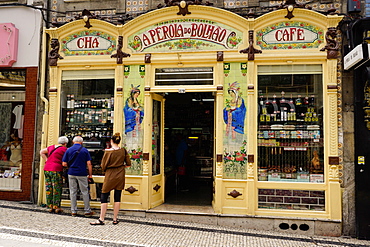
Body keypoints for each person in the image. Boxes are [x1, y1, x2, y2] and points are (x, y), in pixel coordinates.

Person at [90, 133, 131, 225]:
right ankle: (115, 218)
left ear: (111, 141)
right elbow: (128, 163)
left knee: (104, 195)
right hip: (120, 174)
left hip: (110, 174)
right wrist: (121, 166)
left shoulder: (108, 152)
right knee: (117, 196)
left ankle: (101, 218)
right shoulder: (123, 151)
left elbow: (103, 165)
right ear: (119, 141)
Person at [62, 136, 94, 217]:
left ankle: (73, 211)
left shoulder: (68, 150)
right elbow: (89, 164)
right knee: (85, 192)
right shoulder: (84, 150)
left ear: (73, 141)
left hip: (71, 172)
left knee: (73, 192)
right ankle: (87, 211)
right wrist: (90, 175)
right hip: (82, 173)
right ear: (82, 142)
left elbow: (64, 163)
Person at [40, 136, 68, 213]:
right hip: (56, 169)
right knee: (57, 187)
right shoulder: (64, 149)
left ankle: (50, 206)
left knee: (48, 187)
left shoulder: (51, 147)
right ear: (65, 143)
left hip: (47, 168)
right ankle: (56, 206)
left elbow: (41, 152)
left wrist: (47, 160)